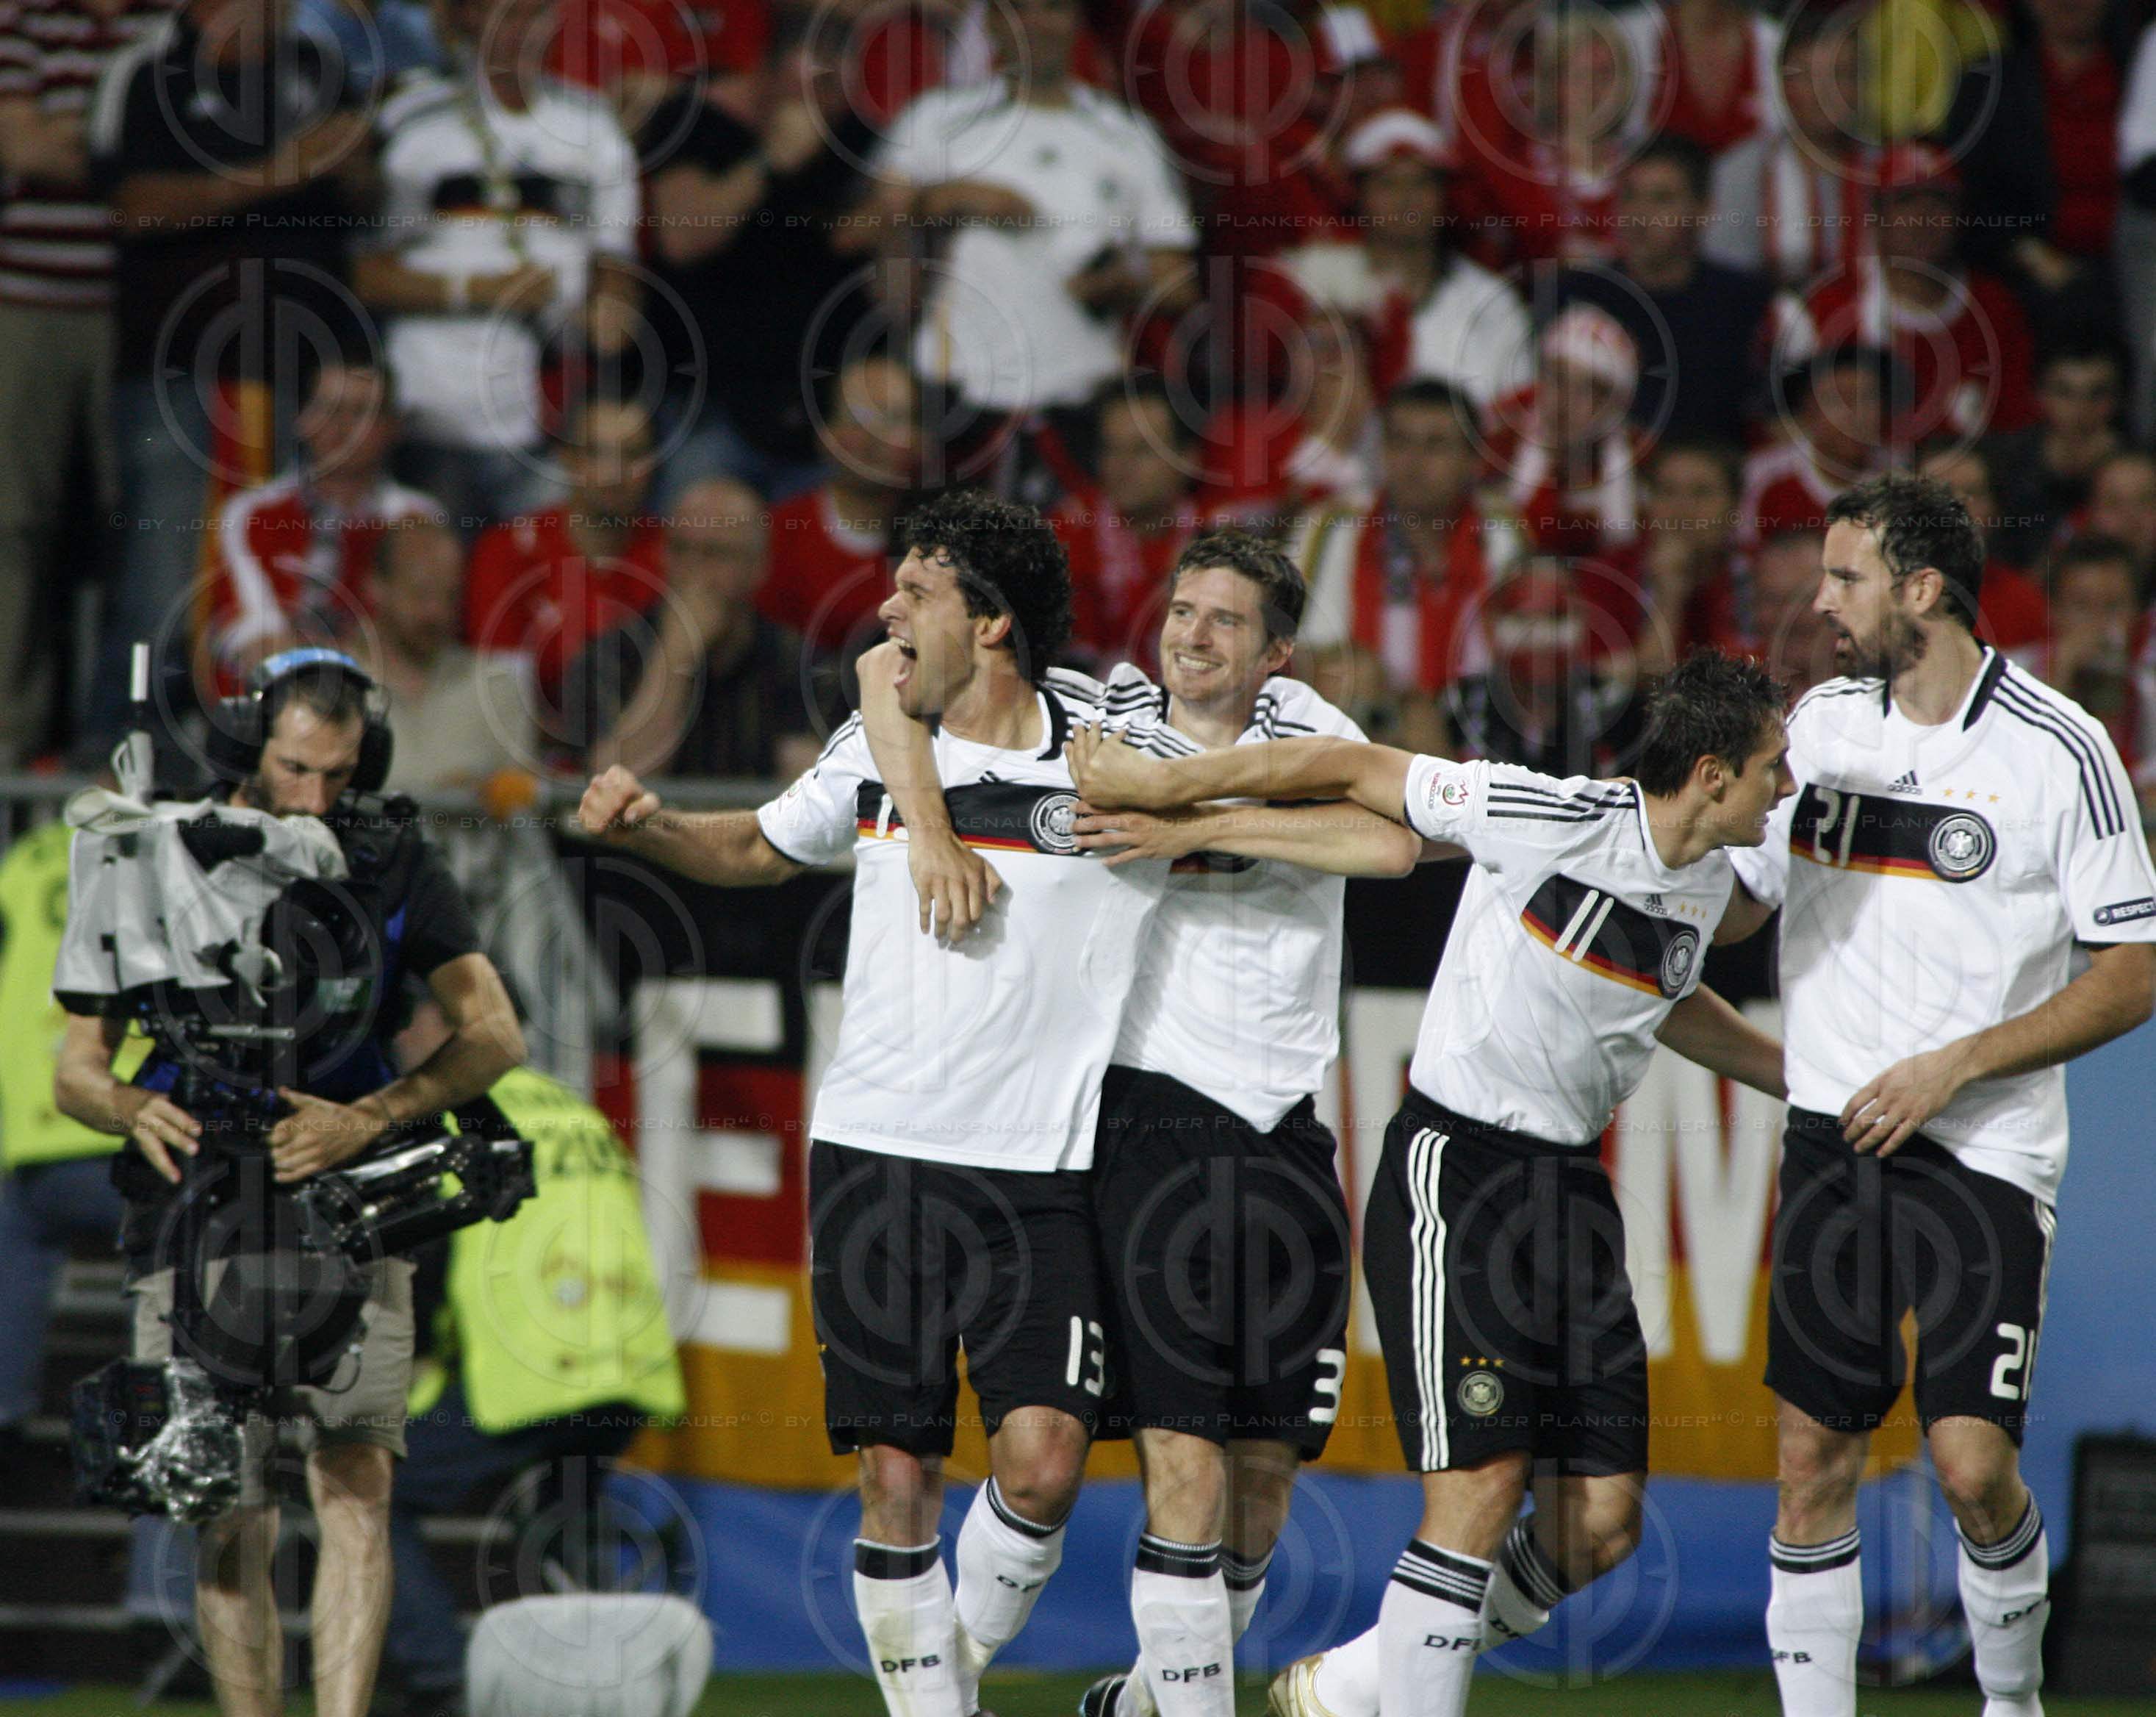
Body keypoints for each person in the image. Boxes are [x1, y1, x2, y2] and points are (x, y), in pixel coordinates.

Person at [1063, 648, 1793, 1717]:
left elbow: (1661, 995)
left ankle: (1346, 1685)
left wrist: (1812, 1083)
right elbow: (1354, 765)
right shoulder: (1546, 815)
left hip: (1568, 1192)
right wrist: (1160, 790)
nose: (1781, 791)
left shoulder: (1710, 885)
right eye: (1771, 769)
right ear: (1713, 775)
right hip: (1460, 1169)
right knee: (1479, 1492)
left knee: (1599, 1525)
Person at [575, 490, 1170, 1717]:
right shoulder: (878, 744)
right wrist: (648, 831)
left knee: (1046, 1465)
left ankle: (946, 1671)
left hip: (1045, 1170)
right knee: (897, 1474)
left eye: (918, 589)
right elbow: (755, 847)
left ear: (991, 624)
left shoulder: (1106, 749)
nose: (886, 606)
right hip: (877, 1157)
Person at [855, 530, 1422, 1717]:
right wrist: (931, 823)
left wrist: (1189, 826)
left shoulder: (1308, 724)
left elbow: (1389, 840)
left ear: (1272, 651)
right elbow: (880, 675)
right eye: (1179, 610)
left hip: (1286, 1137)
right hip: (1148, 1125)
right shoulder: (1101, 712)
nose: (1189, 635)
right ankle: (955, 1680)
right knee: (1183, 1459)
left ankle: (1144, 1701)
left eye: (1223, 620)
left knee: (1261, 1484)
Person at [1720, 474, 2156, 1717]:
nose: (1817, 601)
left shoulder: (2056, 748)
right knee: (1808, 1460)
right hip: (1830, 1143)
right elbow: (1745, 894)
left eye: (1842, 576)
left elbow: (2128, 974)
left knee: (1969, 1469)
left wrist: (1955, 1063)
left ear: (1919, 588)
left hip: (1982, 1150)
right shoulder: (1815, 725)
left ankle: (2007, 1705)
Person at [52, 650, 525, 1717]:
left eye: (338, 772)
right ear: (242, 745)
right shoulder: (150, 850)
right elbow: (76, 1071)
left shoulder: (392, 857)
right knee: (225, 1502)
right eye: (295, 768)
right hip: (190, 1203)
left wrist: (371, 1114)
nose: (316, 796)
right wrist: (133, 1107)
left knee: (357, 1483)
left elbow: (495, 1031)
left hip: (346, 1195)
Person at [381, 995, 686, 1715]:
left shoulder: (454, 1116)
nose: (396, 1038)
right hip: (631, 1364)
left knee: (371, 1496)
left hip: (538, 1369)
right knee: (553, 1527)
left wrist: (416, 1353)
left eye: (406, 1019)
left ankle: (441, 1679)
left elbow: (424, 1250)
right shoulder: (569, 1107)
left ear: (444, 1027)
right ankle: (584, 1680)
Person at [85, 0, 374, 748]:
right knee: (162, 576)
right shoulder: (149, 71)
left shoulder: (317, 68)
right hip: (181, 372)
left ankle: (263, 755)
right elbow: (134, 207)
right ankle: (117, 755)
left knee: (279, 583)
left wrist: (356, 158)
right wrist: (277, 172)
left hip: (298, 375)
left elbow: (364, 197)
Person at [360, 0, 641, 532]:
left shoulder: (592, 125)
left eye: (534, 14)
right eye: (504, 14)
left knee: (535, 589)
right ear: (470, 19)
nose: (520, 32)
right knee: (433, 585)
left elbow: (616, 265)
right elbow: (366, 273)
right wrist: (481, 289)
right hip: (433, 408)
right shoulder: (415, 118)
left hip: (547, 417)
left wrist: (608, 317)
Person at [864, 0, 1197, 420]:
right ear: (991, 22)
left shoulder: (1128, 133)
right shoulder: (935, 118)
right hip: (956, 387)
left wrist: (1123, 279)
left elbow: (1179, 282)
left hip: (1084, 393)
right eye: (1021, 9)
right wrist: (937, 200)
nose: (1038, 23)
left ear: (1077, 20)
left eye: (1055, 9)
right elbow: (858, 232)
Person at [0, 0, 170, 765]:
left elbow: (180, 159)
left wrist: (98, 150)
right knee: (13, 522)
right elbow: (24, 148)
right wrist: (131, 159)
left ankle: (113, 739)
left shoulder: (166, 28)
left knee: (133, 535)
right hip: (25, 306)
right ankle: (10, 733)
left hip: (137, 319)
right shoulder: (29, 25)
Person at [0, 811, 147, 1467]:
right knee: (171, 1255)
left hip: (41, 1133)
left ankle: (6, 1414)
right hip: (139, 1125)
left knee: (18, 1237)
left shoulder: (29, 861)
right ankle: (151, 1413)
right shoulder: (167, 855)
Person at [1290, 379, 1527, 755]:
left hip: (1479, 740)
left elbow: (1526, 663)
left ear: (1473, 460)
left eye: (1435, 445)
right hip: (1371, 733)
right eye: (1400, 442)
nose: (1413, 462)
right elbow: (1303, 657)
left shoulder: (1503, 531)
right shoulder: (1336, 524)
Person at [570, 476, 830, 780]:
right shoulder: (611, 655)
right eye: (680, 549)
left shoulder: (801, 665)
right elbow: (616, 783)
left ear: (759, 567)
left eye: (716, 554)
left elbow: (823, 796)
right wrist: (674, 658)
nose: (694, 571)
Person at [203, 358, 439, 679]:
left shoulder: (418, 518)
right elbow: (252, 634)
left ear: (392, 426)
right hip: (276, 686)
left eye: (359, 412)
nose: (340, 428)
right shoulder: (251, 513)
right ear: (302, 418)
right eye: (327, 409)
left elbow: (418, 631)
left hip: (389, 692)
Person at [1556, 135, 1774, 447]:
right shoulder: (1578, 296)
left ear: (1704, 210)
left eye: (1662, 199)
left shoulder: (1746, 304)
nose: (1640, 215)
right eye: (1630, 197)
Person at [463, 397, 666, 699]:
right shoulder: (506, 551)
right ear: (565, 458)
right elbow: (498, 685)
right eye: (597, 453)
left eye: (632, 455)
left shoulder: (672, 553)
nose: (614, 474)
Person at [342, 518, 540, 792]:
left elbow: (525, 811)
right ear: (376, 587)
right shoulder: (332, 685)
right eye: (421, 594)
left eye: (450, 596)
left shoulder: (495, 683)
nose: (436, 612)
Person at [756, 356, 924, 657]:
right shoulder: (778, 534)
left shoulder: (945, 544)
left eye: (893, 420)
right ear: (826, 435)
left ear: (922, 441)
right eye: (857, 420)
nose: (873, 440)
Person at [1052, 379, 1208, 670]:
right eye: (1112, 449)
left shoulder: (1215, 536)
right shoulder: (1064, 535)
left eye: (1142, 450)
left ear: (1188, 458)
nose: (1122, 465)